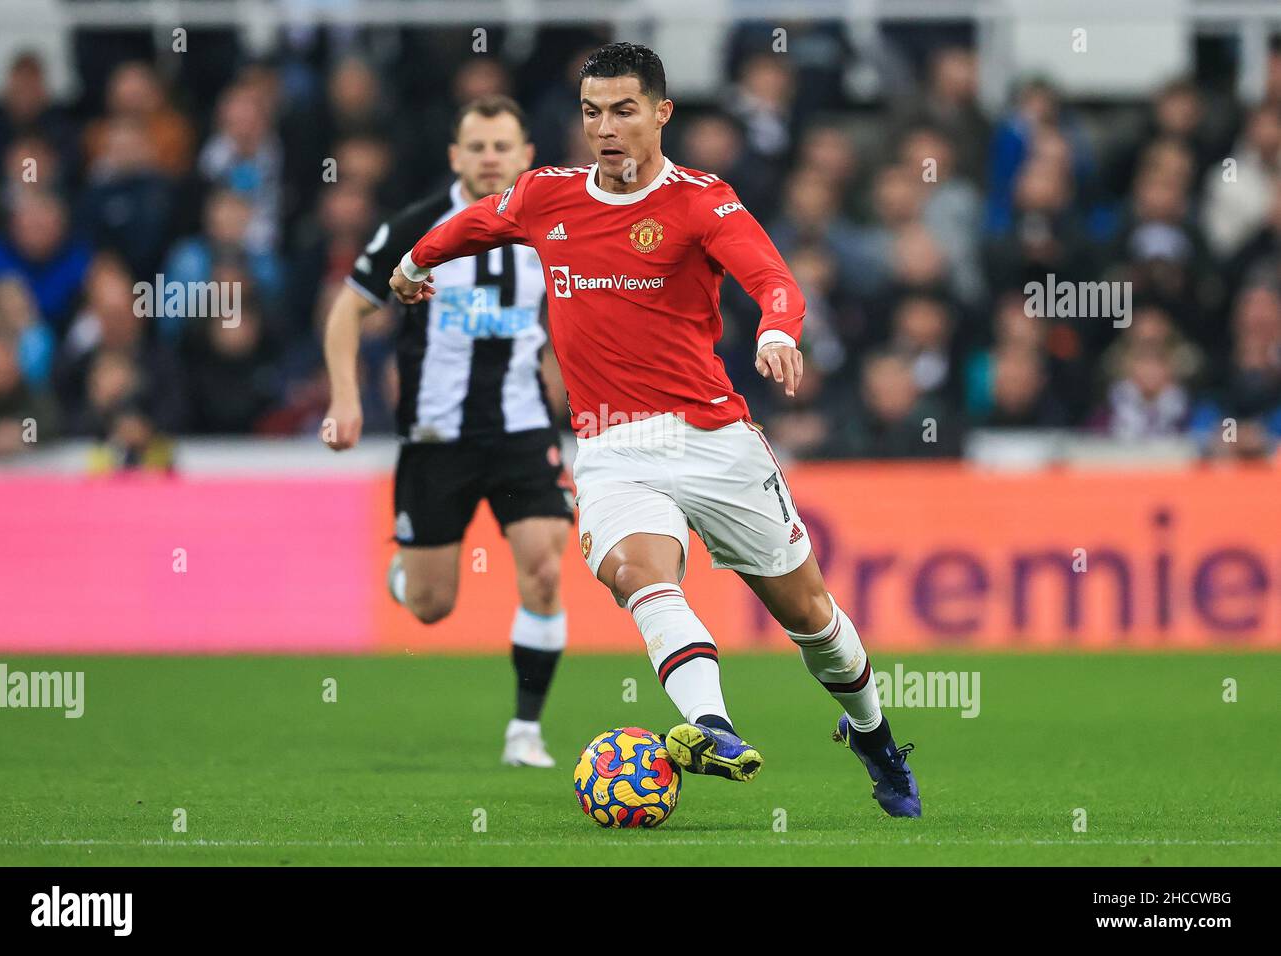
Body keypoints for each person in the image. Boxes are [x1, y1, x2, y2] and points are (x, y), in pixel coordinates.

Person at [388, 44, 920, 816]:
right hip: (611, 447)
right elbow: (475, 223)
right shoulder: (546, 196)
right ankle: (712, 725)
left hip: (714, 437)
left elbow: (772, 278)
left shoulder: (702, 201)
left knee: (810, 616)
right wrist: (411, 262)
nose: (605, 127)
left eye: (624, 110)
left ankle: (874, 736)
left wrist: (777, 331)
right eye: (593, 111)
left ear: (662, 114)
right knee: (641, 577)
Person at [321, 96, 573, 769]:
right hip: (436, 439)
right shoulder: (414, 226)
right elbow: (347, 313)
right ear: (456, 157)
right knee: (433, 607)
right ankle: (410, 571)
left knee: (545, 572)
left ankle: (525, 732)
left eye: (503, 146)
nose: (491, 158)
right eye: (478, 147)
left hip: (523, 431)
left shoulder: (556, 227)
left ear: (526, 156)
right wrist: (345, 400)